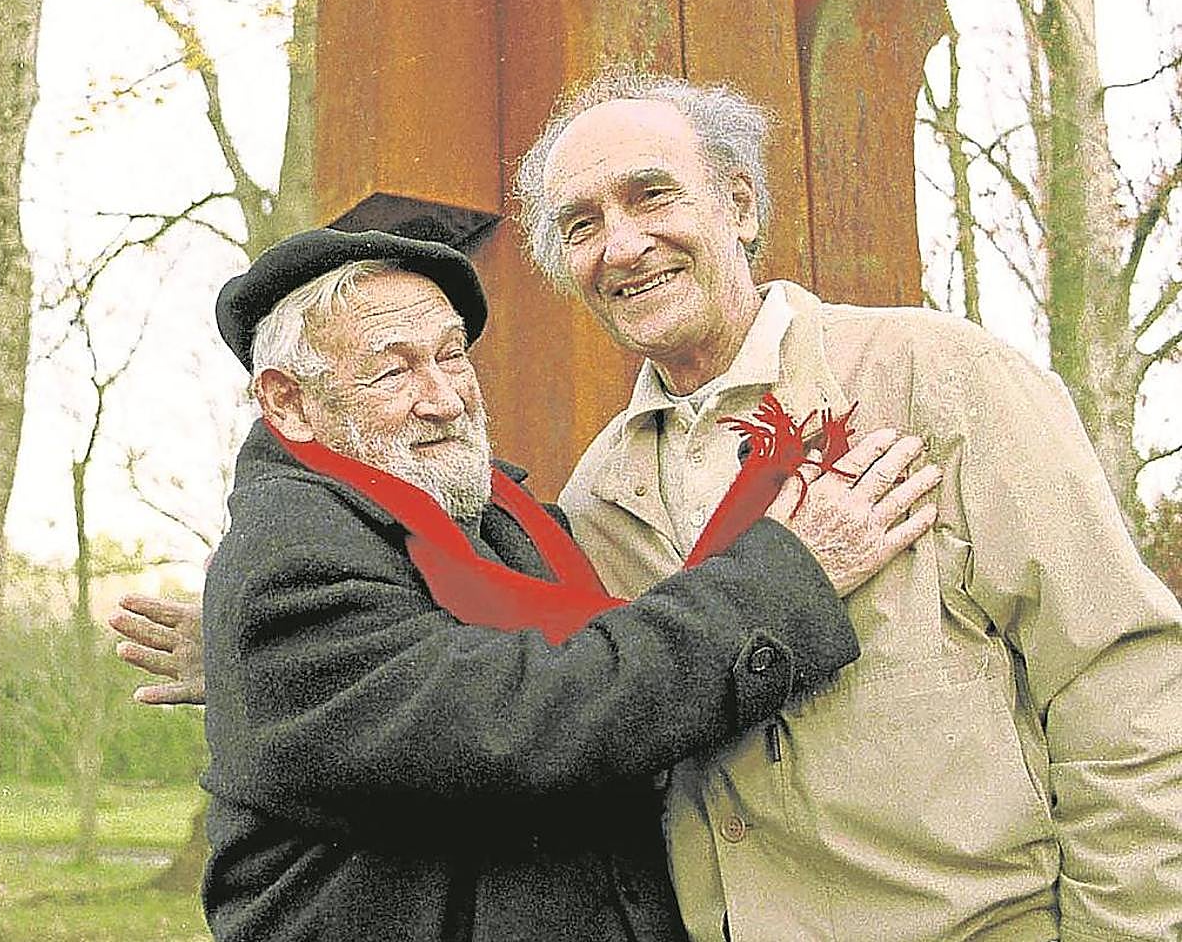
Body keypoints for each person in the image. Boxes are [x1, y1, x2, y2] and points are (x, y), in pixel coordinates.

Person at [506, 70, 1182, 941]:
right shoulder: (597, 497)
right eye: (582, 225)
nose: (622, 246)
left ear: (740, 206)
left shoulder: (938, 378)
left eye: (652, 196)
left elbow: (1122, 686)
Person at [148, 226, 938, 942]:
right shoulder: (288, 560)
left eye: (453, 355)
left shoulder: (501, 518)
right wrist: (790, 578)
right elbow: (523, 719)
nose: (445, 399)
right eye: (392, 371)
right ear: (288, 403)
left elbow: (589, 644)